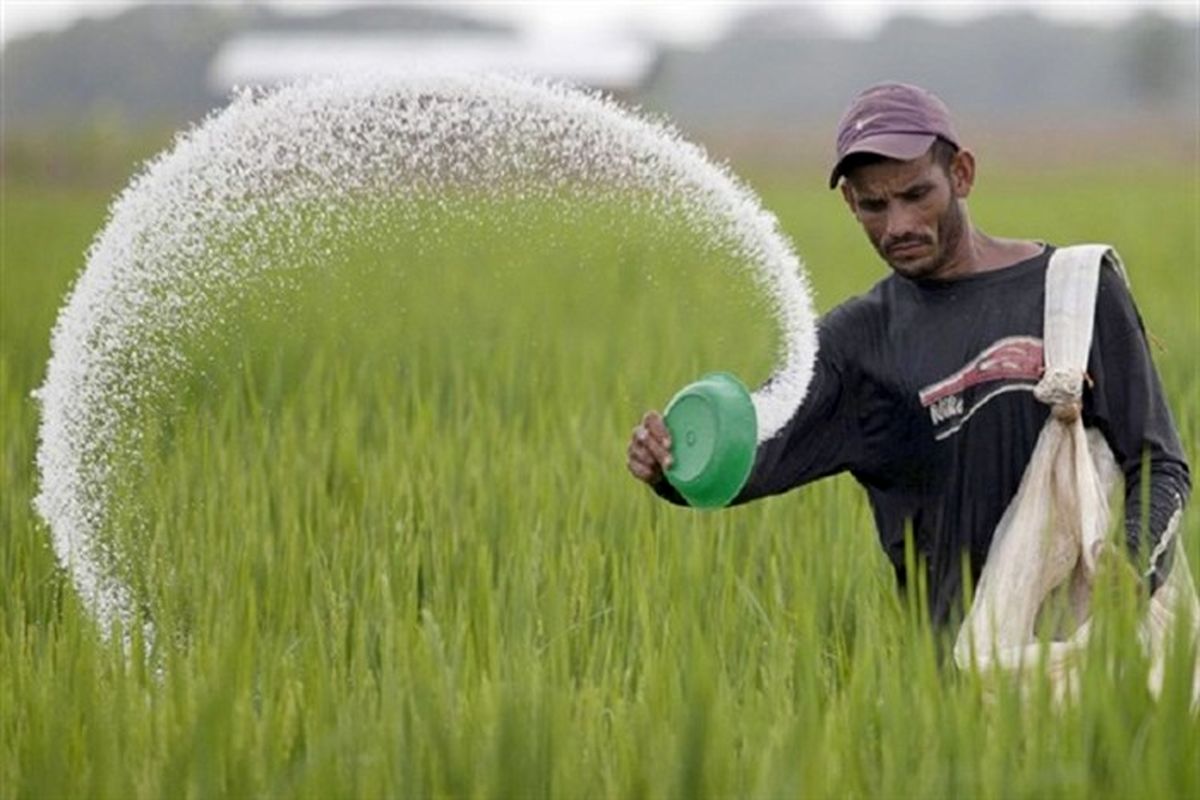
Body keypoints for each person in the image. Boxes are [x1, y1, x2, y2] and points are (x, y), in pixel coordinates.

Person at [625, 82, 1191, 626]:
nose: (898, 225)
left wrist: (1129, 575)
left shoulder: (1074, 290)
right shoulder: (859, 343)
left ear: (961, 174)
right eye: (874, 205)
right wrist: (671, 464)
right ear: (850, 201)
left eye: (917, 195)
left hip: (1089, 649)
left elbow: (1157, 462)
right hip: (959, 676)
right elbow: (755, 454)